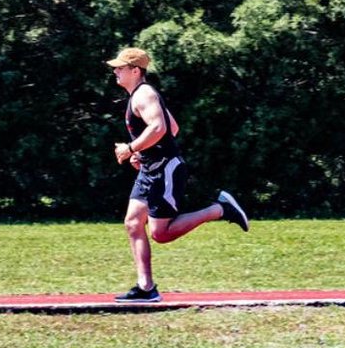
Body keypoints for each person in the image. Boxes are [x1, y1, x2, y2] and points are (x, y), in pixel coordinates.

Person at [106, 46, 250, 303]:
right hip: (151, 168)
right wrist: (143, 153)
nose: (115, 71)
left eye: (120, 67)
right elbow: (173, 127)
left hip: (165, 169)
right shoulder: (139, 96)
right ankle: (146, 287)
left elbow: (160, 127)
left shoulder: (144, 93)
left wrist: (131, 148)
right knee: (132, 223)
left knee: (161, 233)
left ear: (135, 70)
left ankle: (220, 209)